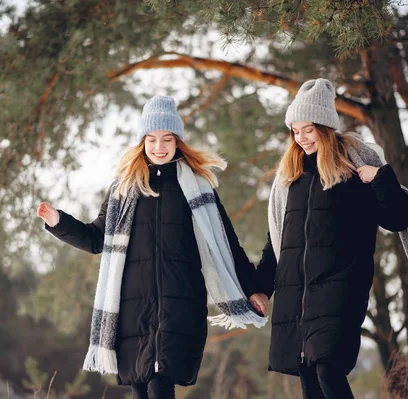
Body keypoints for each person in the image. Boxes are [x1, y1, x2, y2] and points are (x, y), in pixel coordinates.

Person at [37, 95, 267, 399]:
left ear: (177, 142)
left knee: (161, 382)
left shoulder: (197, 187)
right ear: (142, 142)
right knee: (141, 387)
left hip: (180, 302)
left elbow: (226, 244)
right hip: (133, 306)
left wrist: (253, 288)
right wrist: (58, 222)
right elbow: (97, 239)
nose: (159, 147)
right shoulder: (124, 188)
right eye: (152, 139)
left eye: (167, 139)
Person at [252, 78, 408, 399]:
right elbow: (279, 240)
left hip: (341, 284)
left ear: (324, 126)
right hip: (295, 291)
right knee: (309, 377)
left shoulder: (354, 166)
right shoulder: (291, 178)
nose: (301, 138)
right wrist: (261, 286)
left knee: (327, 366)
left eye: (307, 130)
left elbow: (396, 219)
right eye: (295, 132)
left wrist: (380, 180)